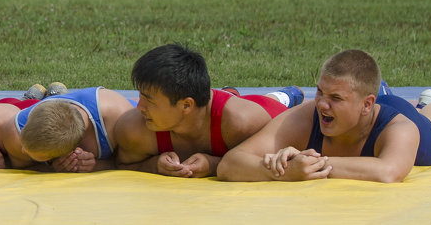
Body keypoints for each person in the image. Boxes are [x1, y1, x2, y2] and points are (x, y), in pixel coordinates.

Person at [217, 49, 431, 183]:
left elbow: (388, 172)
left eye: (335, 98)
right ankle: (423, 101)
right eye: (320, 92)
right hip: (364, 107)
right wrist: (287, 173)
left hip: (398, 118)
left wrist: (309, 164)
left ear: (367, 104)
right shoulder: (308, 115)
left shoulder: (400, 128)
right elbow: (230, 164)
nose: (322, 104)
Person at [114, 44, 298, 178]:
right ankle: (228, 92)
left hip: (255, 108)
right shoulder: (134, 128)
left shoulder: (243, 122)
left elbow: (279, 159)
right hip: (213, 112)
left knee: (273, 101)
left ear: (186, 105)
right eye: (140, 96)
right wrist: (154, 165)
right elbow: (120, 165)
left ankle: (286, 95)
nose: (139, 107)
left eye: (149, 100)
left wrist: (213, 164)